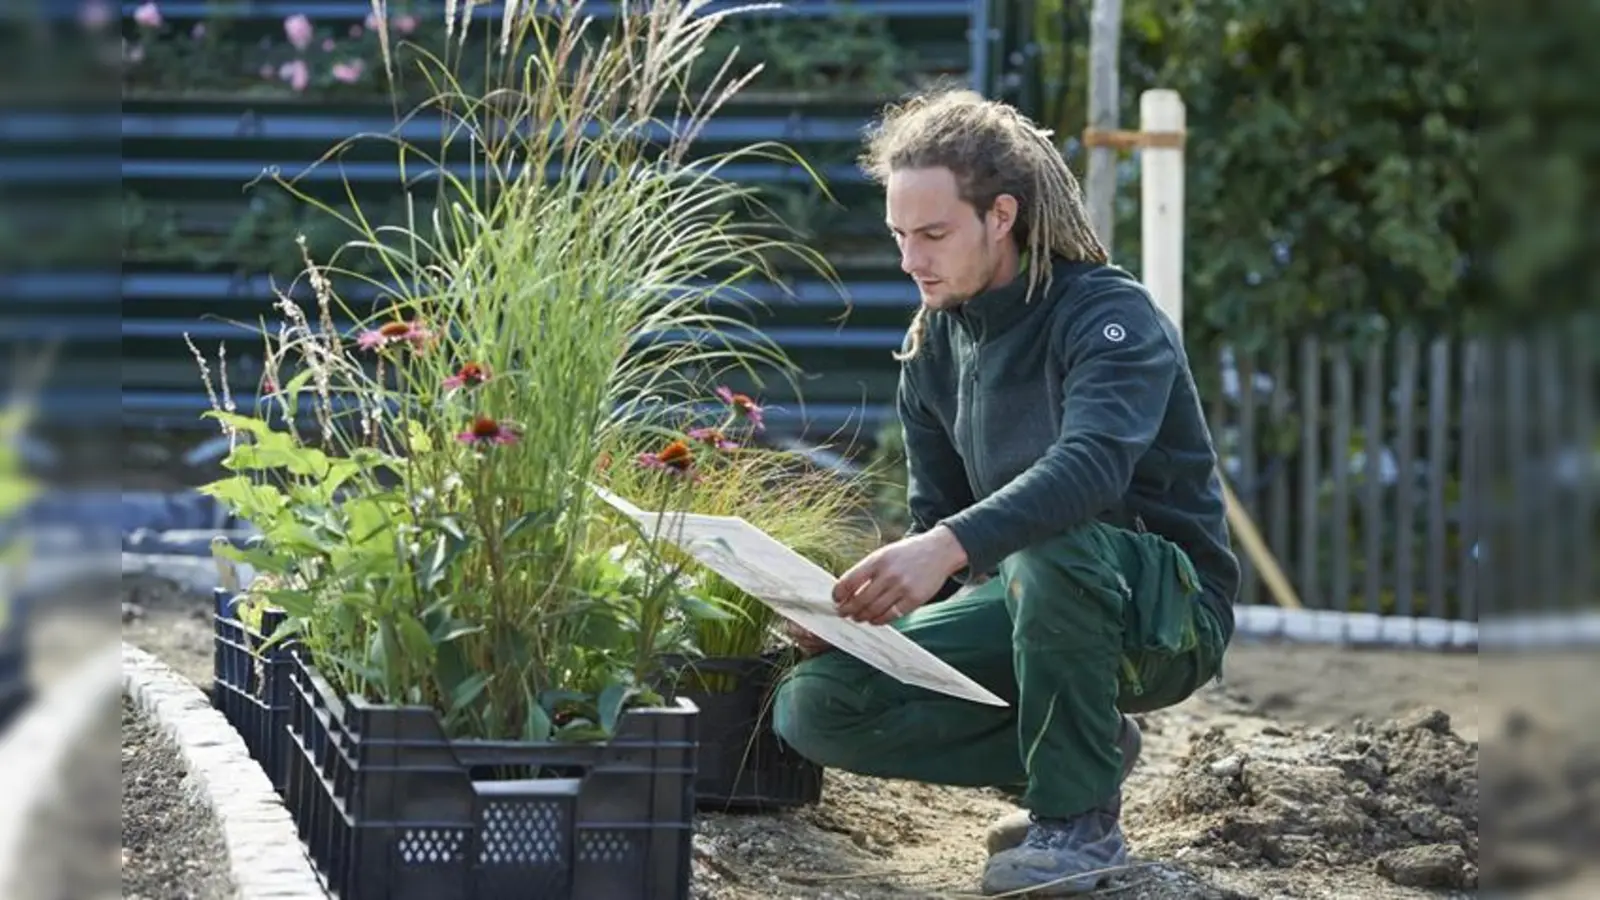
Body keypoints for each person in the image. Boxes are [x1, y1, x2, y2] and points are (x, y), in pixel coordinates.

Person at [769, 87, 1241, 896]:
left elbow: (1090, 468)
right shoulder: (930, 351)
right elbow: (938, 536)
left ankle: (1078, 821)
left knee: (1048, 545)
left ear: (1002, 216)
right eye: (899, 236)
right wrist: (859, 617)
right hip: (1036, 603)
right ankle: (1080, 751)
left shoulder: (1107, 318)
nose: (911, 260)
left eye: (934, 234)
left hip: (1167, 611)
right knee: (814, 706)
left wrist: (946, 546)